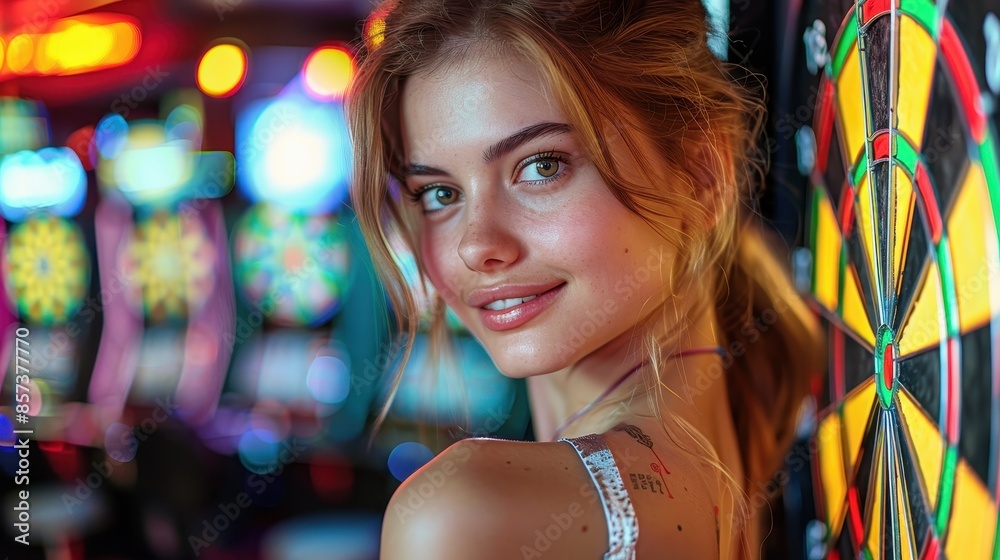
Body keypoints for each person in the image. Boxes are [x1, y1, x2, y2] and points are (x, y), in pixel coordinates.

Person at [345, 1, 824, 558]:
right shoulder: (732, 468)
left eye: (541, 166)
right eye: (440, 193)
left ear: (701, 175)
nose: (476, 246)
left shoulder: (460, 513)